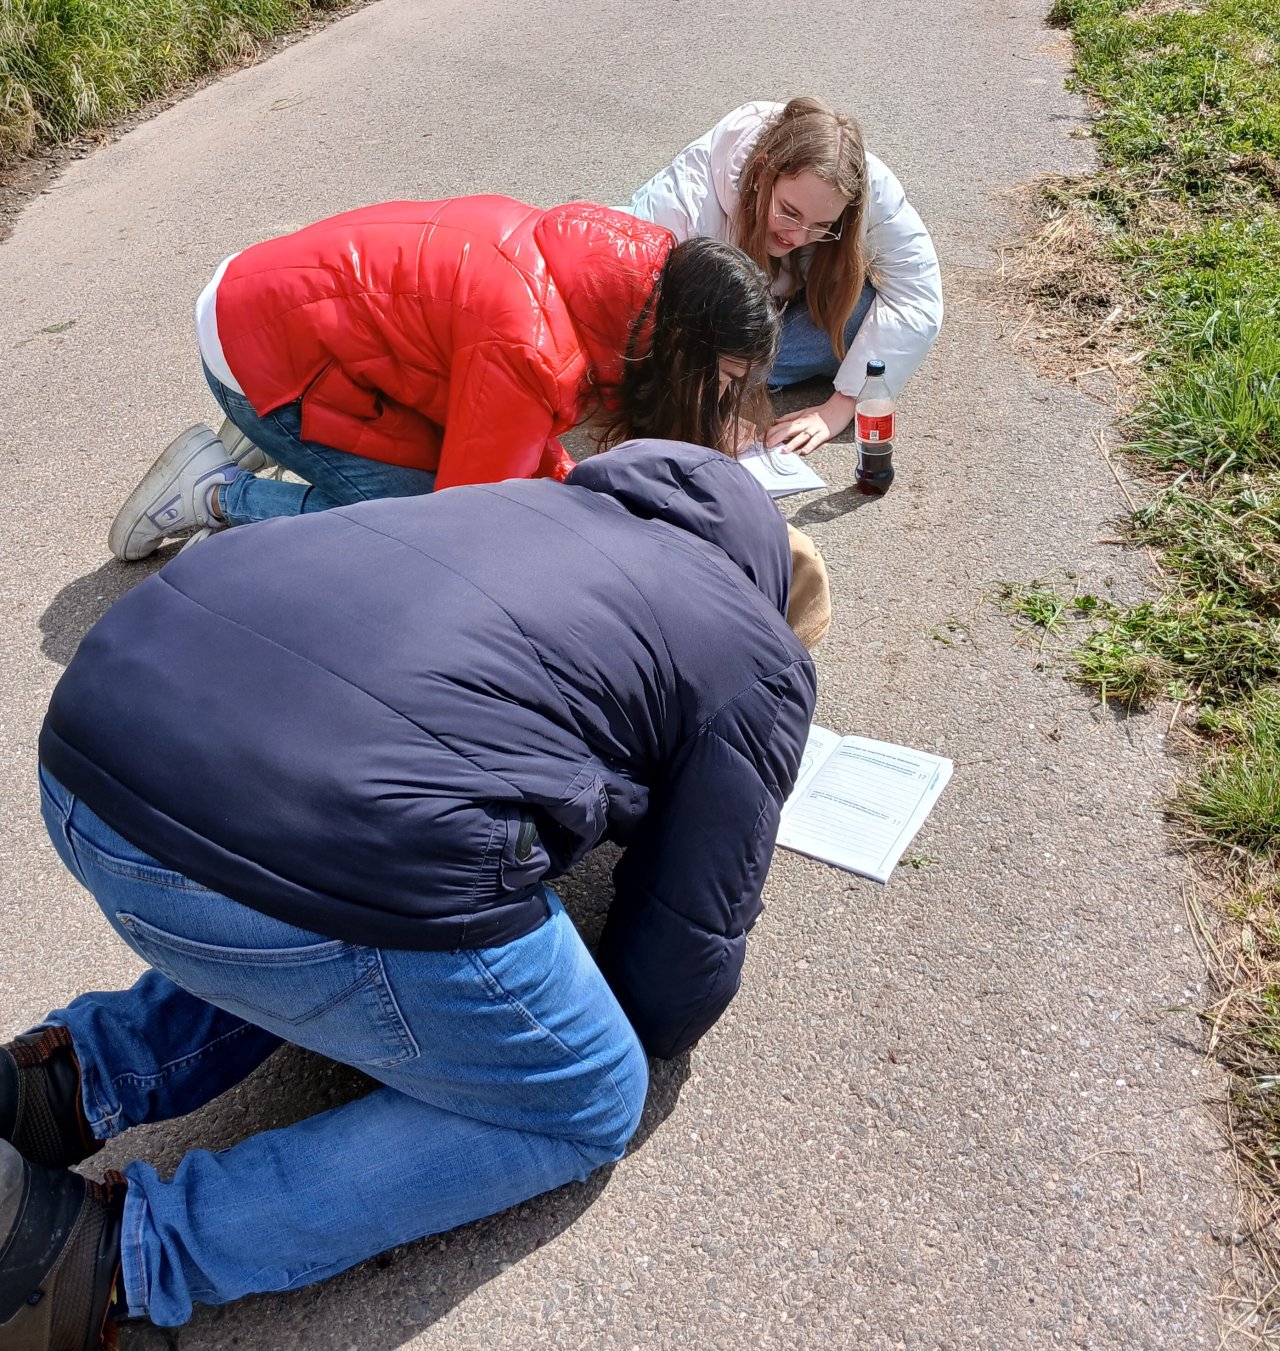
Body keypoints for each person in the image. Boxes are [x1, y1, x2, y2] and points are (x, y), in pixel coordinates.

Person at [1, 438, 818, 1346]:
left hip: (91, 758)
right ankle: (115, 1258)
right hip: (291, 849)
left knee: (326, 880)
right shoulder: (759, 652)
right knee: (591, 1088)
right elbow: (673, 974)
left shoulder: (524, 503)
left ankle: (63, 1081)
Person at [106, 197, 780, 560]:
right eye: (720, 380)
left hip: (274, 305)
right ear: (683, 348)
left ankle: (277, 429)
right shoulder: (531, 347)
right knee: (399, 530)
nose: (722, 399)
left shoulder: (627, 271)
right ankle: (220, 492)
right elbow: (459, 531)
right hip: (262, 353)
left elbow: (514, 423)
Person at [626, 97, 944, 457]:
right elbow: (646, 316)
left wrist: (842, 405)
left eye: (822, 227)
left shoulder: (872, 190)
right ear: (762, 174)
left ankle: (738, 375)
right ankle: (729, 377)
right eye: (790, 212)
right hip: (706, 329)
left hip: (779, 315)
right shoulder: (686, 201)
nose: (796, 237)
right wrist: (705, 405)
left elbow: (917, 296)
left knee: (860, 316)